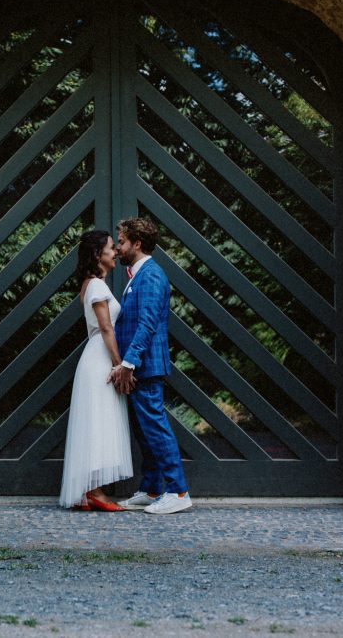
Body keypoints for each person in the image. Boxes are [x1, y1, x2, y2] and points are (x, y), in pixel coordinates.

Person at [109, 217, 192, 514]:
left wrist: (129, 363)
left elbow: (147, 323)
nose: (118, 247)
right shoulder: (138, 276)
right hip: (137, 366)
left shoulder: (152, 275)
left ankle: (179, 492)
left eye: (121, 241)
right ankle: (153, 488)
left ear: (137, 243)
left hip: (145, 365)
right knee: (144, 431)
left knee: (155, 428)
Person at [58, 230, 133, 511]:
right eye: (111, 248)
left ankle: (92, 491)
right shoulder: (97, 287)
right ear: (97, 255)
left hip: (96, 357)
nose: (115, 252)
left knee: (99, 423)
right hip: (99, 360)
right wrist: (118, 365)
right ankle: (95, 492)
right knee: (98, 423)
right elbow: (105, 328)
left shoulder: (92, 285)